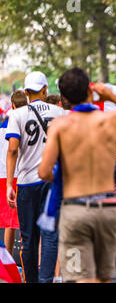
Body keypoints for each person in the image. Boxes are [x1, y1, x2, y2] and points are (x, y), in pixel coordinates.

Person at [37, 68, 116, 283]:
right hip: (106, 209)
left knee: (81, 276)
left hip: (74, 211)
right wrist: (112, 98)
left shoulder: (60, 126)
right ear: (90, 91)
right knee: (101, 277)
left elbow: (43, 172)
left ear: (63, 97)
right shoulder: (108, 120)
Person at [5, 71, 65, 283]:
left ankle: (31, 280)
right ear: (45, 89)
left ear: (26, 91)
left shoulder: (17, 115)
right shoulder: (59, 112)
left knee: (29, 238)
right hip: (53, 182)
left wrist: (10, 184)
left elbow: (12, 149)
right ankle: (47, 278)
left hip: (27, 183)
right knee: (50, 234)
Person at [0, 91, 27, 255]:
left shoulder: (4, 127)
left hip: (4, 176)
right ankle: (27, 261)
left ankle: (9, 258)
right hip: (21, 176)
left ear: (13, 105)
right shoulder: (27, 125)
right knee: (24, 221)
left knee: (10, 222)